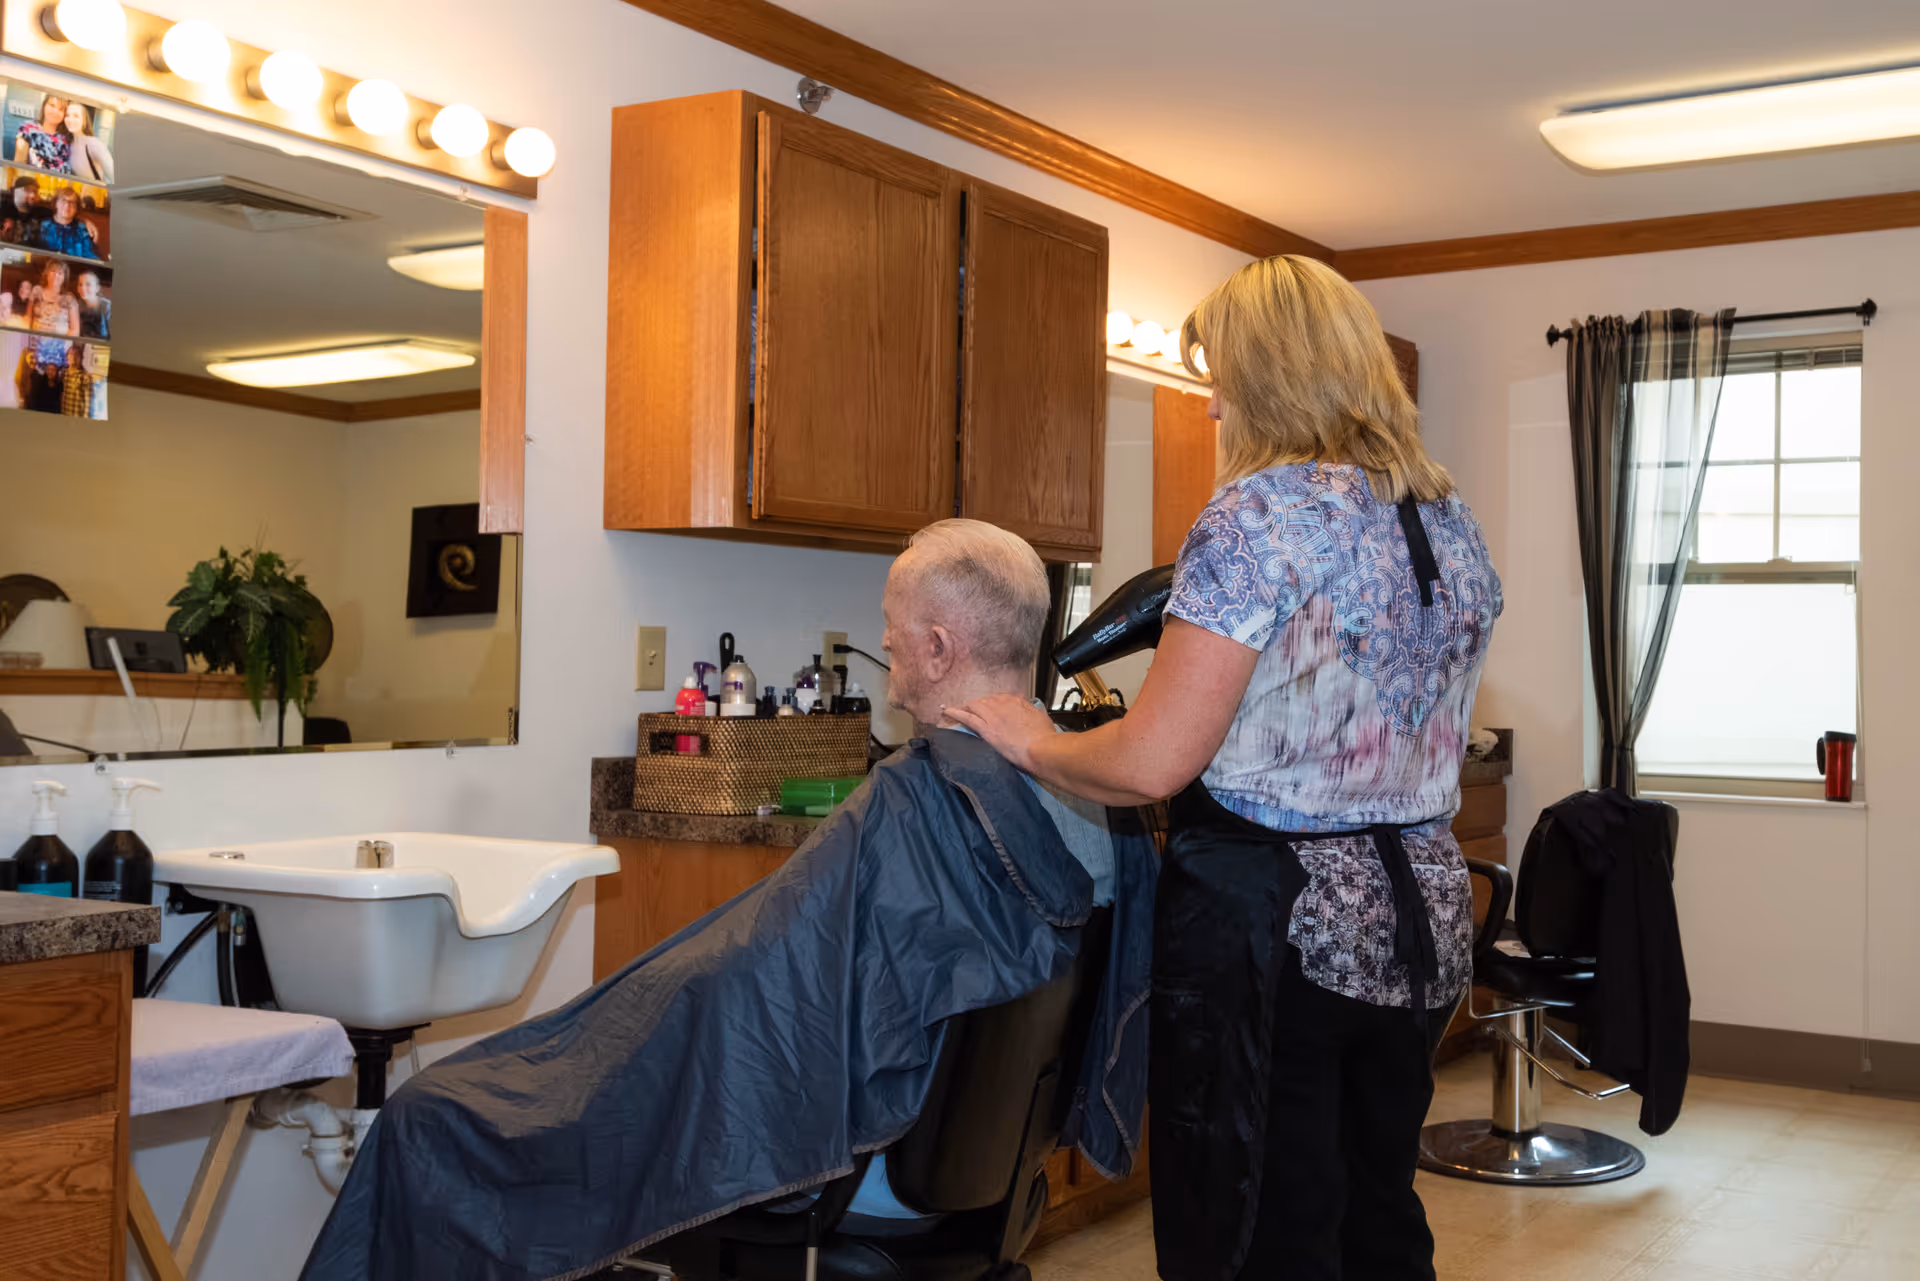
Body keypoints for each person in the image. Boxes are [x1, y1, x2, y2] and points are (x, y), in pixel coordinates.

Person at [300, 519, 1156, 1281]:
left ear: (938, 648)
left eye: (894, 647)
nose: (891, 678)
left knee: (429, 1119)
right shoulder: (1094, 805)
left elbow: (742, 994)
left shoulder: (921, 802)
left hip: (867, 1167)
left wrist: (593, 1041)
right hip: (986, 1165)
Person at [951, 255, 1502, 1281]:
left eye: (1224, 374)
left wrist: (1031, 739)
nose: (1212, 402)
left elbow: (1155, 760)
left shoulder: (1257, 516)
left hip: (1278, 927)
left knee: (1251, 1222)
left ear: (1272, 375)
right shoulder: (1445, 514)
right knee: (1373, 1205)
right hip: (1421, 916)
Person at [34, 188, 101, 260]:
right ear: (56, 203)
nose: (67, 205)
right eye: (63, 200)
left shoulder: (83, 230)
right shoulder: (42, 226)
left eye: (72, 202)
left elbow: (89, 255)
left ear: (76, 208)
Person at [21, 258, 79, 338]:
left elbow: (75, 330)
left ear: (64, 278)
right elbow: (28, 318)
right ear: (46, 273)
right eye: (53, 271)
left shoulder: (70, 299)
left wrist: (62, 344)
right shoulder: (36, 291)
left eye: (60, 273)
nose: (55, 275)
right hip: (35, 340)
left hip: (58, 345)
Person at [13, 95, 70, 172]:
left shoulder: (66, 137)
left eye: (61, 109)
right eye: (52, 105)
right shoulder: (28, 128)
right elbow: (19, 163)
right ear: (44, 105)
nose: (55, 111)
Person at [62, 102, 113, 184]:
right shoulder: (68, 144)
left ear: (84, 120)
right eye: (67, 115)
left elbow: (113, 176)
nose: (70, 119)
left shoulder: (93, 144)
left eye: (76, 116)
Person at [0, 176, 43, 246]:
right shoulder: (4, 207)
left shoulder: (38, 213)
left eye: (35, 191)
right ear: (15, 191)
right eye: (27, 190)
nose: (33, 195)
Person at [74, 270, 107, 340]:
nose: (82, 288)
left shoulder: (107, 307)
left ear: (97, 288)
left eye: (88, 284)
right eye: (80, 284)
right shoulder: (76, 305)